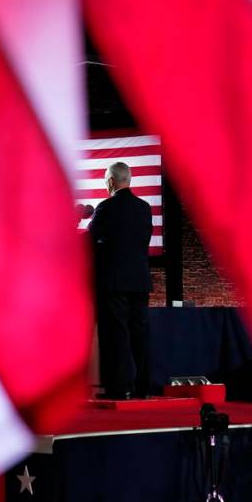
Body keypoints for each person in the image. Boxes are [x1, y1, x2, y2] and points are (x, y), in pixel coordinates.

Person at [88, 161, 153, 399]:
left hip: (113, 282)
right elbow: (142, 242)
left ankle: (118, 389)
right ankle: (143, 388)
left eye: (106, 180)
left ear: (112, 182)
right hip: (139, 281)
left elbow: (91, 241)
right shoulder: (145, 208)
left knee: (115, 334)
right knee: (140, 335)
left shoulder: (105, 208)